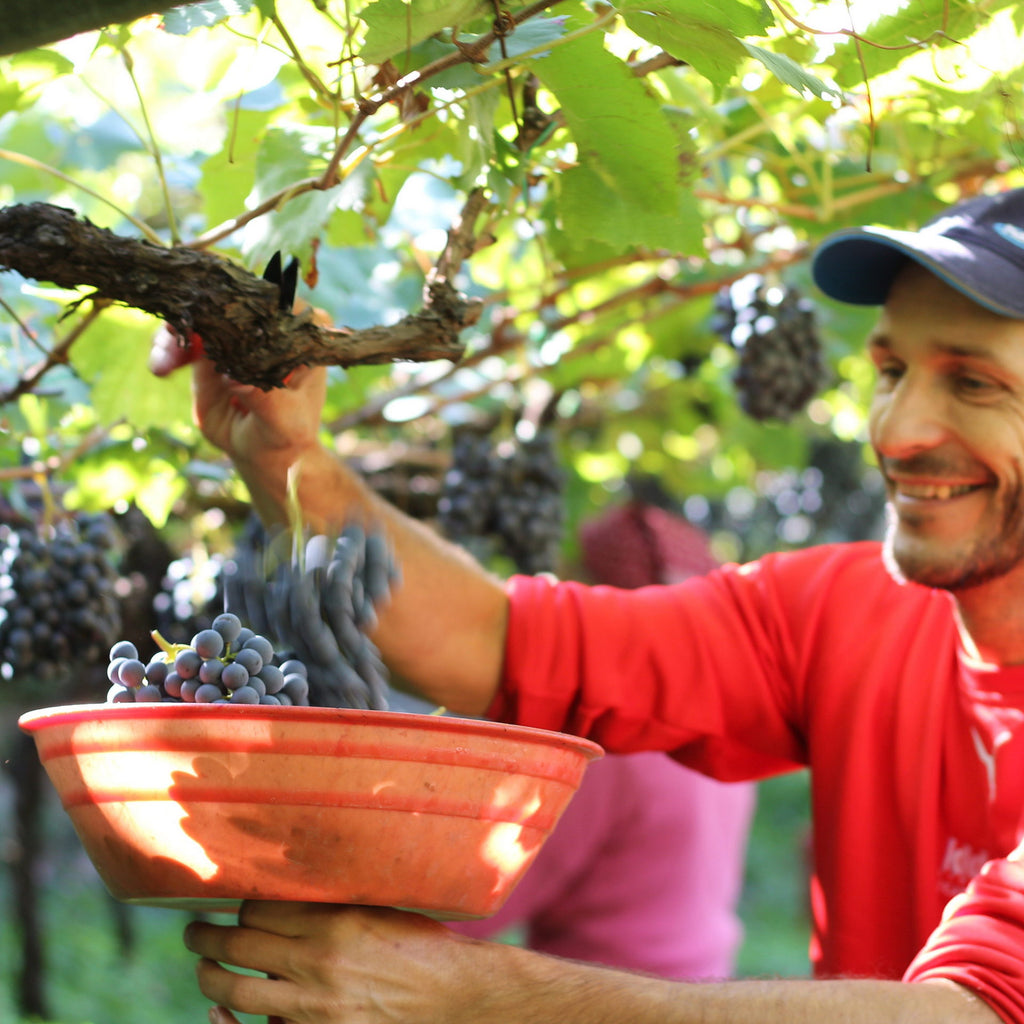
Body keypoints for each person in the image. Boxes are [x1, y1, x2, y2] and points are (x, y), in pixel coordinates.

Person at [169, 187, 1024, 1024]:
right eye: (890, 369)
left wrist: (473, 998)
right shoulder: (847, 611)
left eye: (976, 384)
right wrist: (290, 460)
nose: (900, 428)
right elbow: (501, 642)